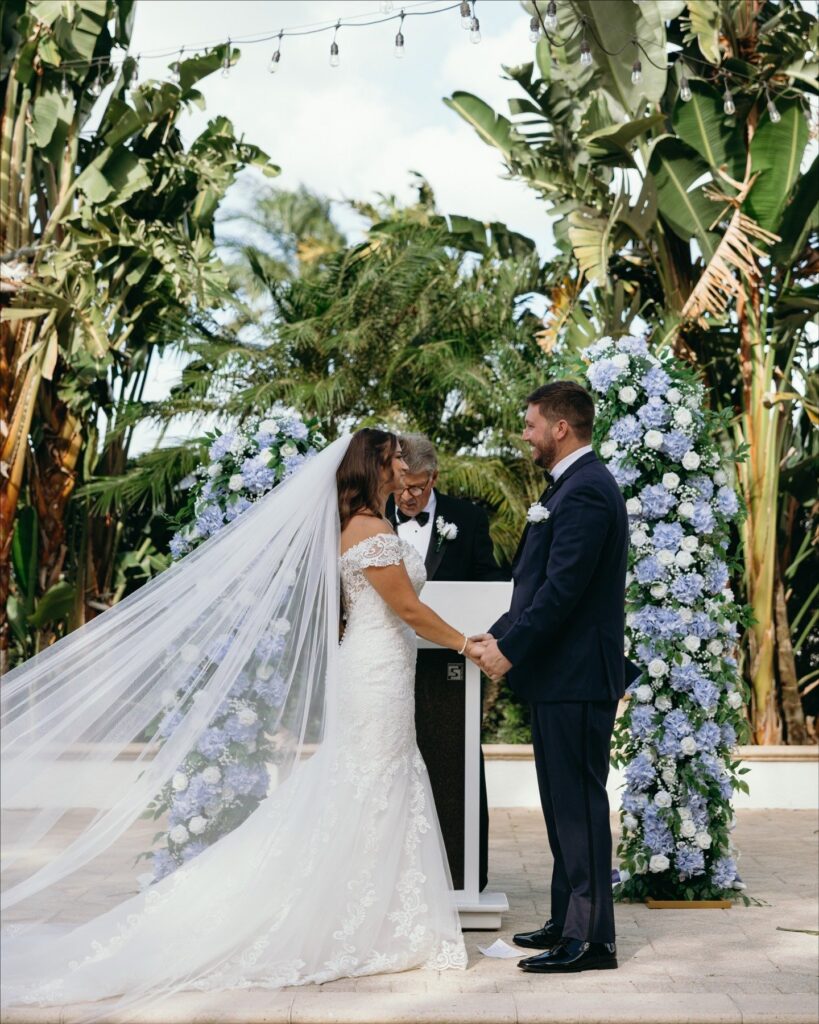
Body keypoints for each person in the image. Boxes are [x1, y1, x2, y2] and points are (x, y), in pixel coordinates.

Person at [1, 429, 488, 1017]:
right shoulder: (371, 531)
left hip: (377, 663)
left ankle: (372, 912)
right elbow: (406, 609)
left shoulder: (359, 525)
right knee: (374, 780)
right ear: (373, 467)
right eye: (392, 460)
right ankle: (363, 918)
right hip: (376, 668)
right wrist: (467, 644)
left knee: (374, 782)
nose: (400, 466)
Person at [475, 381, 629, 975]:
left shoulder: (587, 491)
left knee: (579, 805)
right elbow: (534, 585)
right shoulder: (567, 489)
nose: (526, 433)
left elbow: (563, 592)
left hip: (577, 676)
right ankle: (567, 920)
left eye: (531, 423)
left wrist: (509, 652)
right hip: (558, 677)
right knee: (559, 803)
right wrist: (496, 635)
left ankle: (593, 941)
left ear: (560, 427)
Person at [386, 433, 506, 892]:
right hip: (390, 660)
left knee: (456, 762)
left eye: (418, 486)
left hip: (452, 669)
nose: (409, 496)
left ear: (435, 477)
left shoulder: (468, 519)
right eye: (402, 486)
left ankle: (462, 873)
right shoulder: (372, 518)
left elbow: (493, 580)